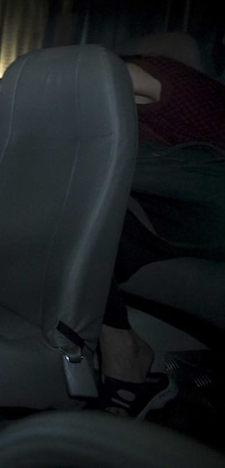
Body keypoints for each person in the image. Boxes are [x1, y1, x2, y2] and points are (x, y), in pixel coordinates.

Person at [96, 54, 225, 419]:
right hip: (159, 209)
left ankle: (122, 354)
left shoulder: (161, 80)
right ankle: (119, 349)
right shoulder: (130, 76)